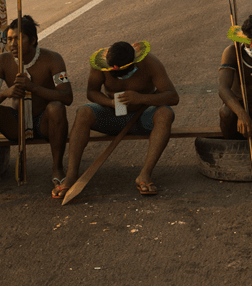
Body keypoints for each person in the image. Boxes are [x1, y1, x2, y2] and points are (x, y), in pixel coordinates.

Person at [54, 41, 178, 199]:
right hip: (113, 117)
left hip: (142, 116)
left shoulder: (149, 63)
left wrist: (140, 98)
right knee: (83, 112)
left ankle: (145, 174)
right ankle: (71, 175)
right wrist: (110, 102)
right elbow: (92, 92)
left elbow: (173, 96)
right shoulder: (100, 65)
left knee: (165, 114)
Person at [0, 16, 72, 192]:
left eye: (17, 39)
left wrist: (33, 87)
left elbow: (67, 97)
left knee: (56, 108)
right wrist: (6, 92)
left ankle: (57, 168)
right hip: (16, 123)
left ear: (33, 40)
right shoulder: (2, 61)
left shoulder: (53, 59)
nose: (11, 44)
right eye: (9, 39)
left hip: (44, 122)